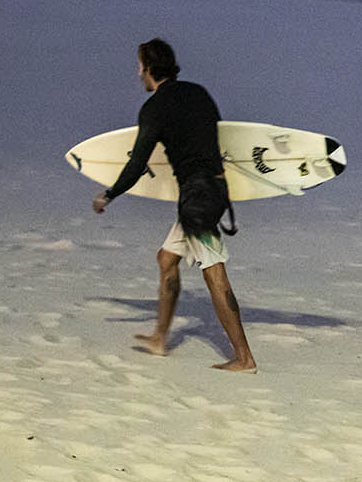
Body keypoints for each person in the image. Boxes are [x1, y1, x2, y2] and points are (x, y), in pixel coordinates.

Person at [93, 39, 257, 373]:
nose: (138, 72)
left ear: (149, 68)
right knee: (167, 259)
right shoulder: (199, 93)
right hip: (214, 189)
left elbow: (138, 163)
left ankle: (244, 357)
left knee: (215, 275)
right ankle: (159, 338)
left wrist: (109, 195)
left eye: (140, 65)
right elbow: (212, 137)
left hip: (196, 202)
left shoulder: (154, 109)